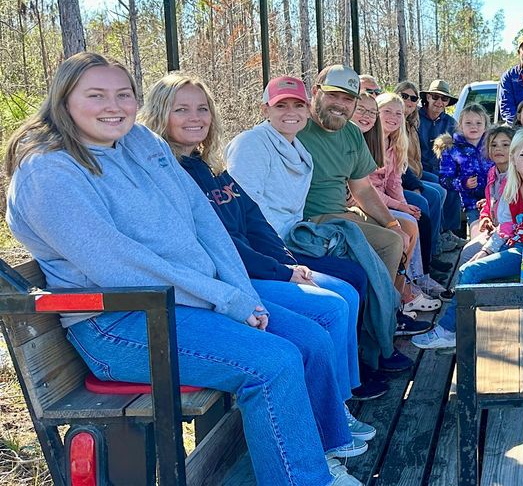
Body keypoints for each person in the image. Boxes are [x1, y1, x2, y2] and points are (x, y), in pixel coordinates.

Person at [4, 52, 362, 485]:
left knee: (306, 335)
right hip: (120, 321)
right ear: (64, 100)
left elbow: (203, 219)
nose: (113, 106)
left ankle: (320, 453)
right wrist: (224, 298)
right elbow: (120, 266)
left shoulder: (140, 143)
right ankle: (305, 479)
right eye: (96, 95)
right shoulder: (49, 172)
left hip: (181, 300)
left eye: (123, 94)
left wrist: (241, 291)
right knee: (274, 361)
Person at [139, 72, 377, 451]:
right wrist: (281, 271)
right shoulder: (169, 172)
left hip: (252, 266)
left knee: (344, 292)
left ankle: (337, 405)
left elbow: (252, 219)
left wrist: (287, 262)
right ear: (158, 114)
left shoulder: (206, 164)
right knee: (331, 307)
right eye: (181, 109)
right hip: (227, 282)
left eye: (202, 108)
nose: (195, 117)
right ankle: (328, 419)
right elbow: (220, 244)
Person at [225, 75, 391, 401]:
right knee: (349, 281)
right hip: (265, 251)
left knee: (357, 271)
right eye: (281, 106)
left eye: (297, 105)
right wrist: (283, 264)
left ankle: (356, 366)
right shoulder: (251, 145)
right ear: (265, 109)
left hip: (292, 238)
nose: (291, 113)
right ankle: (344, 384)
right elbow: (245, 215)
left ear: (307, 108)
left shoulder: (298, 149)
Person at [413, 128, 523, 350]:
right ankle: (463, 326)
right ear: (513, 158)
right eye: (522, 155)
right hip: (514, 247)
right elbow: (505, 227)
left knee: (470, 271)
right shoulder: (511, 187)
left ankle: (449, 330)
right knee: (469, 266)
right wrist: (486, 250)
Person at [296, 64, 415, 372]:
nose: (340, 104)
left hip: (341, 215)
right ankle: (375, 346)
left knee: (399, 232)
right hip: (311, 221)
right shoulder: (297, 126)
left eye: (348, 99)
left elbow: (362, 188)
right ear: (315, 93)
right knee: (389, 244)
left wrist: (391, 223)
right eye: (333, 95)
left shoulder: (350, 133)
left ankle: (382, 324)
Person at [350, 95, 441, 325]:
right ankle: (404, 292)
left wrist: (405, 205)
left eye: (398, 113)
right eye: (387, 112)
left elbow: (394, 182)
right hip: (363, 203)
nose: (393, 117)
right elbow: (365, 189)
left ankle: (409, 285)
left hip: (381, 200)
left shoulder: (396, 144)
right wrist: (399, 206)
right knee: (406, 225)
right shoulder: (365, 141)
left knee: (414, 218)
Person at [397, 81, 460, 262]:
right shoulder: (414, 118)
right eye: (435, 97)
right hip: (416, 169)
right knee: (437, 190)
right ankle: (432, 248)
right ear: (427, 98)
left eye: (444, 99)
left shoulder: (449, 122)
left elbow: (459, 147)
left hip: (430, 167)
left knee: (451, 183)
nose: (439, 102)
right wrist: (414, 183)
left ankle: (446, 233)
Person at [437, 103, 493, 229]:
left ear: (485, 126)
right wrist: (463, 183)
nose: (474, 126)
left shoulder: (493, 145)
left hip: (495, 201)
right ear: (460, 126)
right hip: (471, 203)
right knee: (478, 232)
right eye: (468, 123)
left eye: (478, 123)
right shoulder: (452, 149)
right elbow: (445, 179)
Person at [471, 126, 515, 240]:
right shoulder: (492, 172)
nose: (498, 149)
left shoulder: (517, 177)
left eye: (505, 145)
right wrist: (485, 217)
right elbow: (490, 201)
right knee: (474, 228)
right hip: (495, 227)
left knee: (470, 251)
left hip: (511, 233)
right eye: (494, 145)